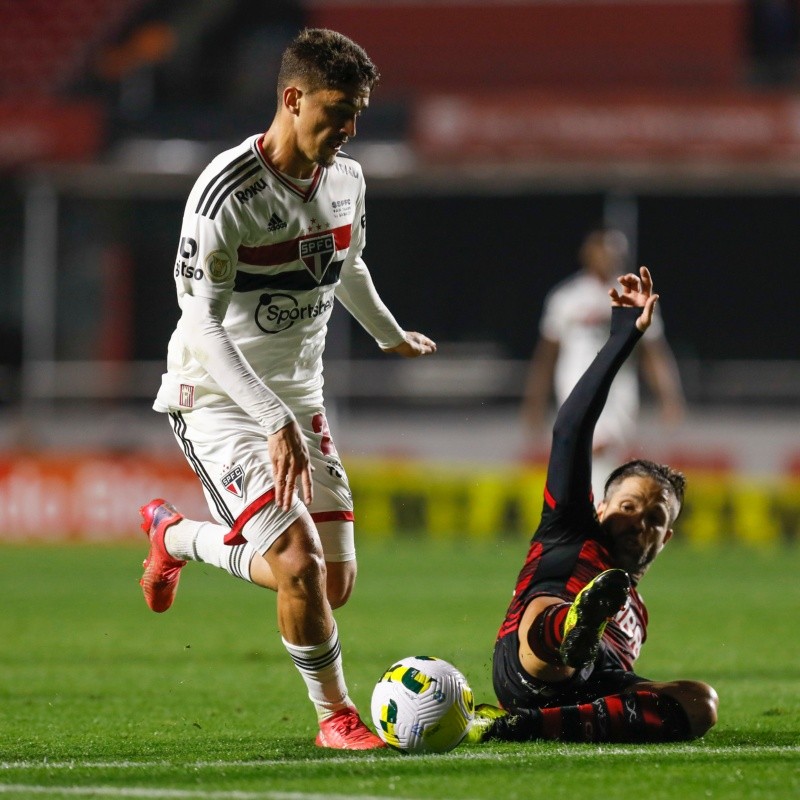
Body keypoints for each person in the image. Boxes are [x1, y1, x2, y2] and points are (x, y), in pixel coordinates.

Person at [138, 28, 436, 750]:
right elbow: (201, 323)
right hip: (219, 400)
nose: (349, 129)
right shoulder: (224, 193)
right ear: (293, 98)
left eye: (359, 112)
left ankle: (174, 536)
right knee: (297, 561)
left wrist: (388, 333)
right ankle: (335, 718)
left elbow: (349, 264)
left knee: (329, 587)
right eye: (338, 110)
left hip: (300, 401)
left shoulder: (347, 180)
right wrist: (271, 419)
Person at [467, 266, 718, 745]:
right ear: (602, 506)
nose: (636, 522)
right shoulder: (569, 525)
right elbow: (570, 431)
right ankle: (570, 626)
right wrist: (624, 334)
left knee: (700, 704)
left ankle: (519, 727)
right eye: (627, 506)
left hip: (587, 692)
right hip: (529, 665)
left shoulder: (637, 614)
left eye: (653, 519)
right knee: (550, 616)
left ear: (665, 539)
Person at [522, 227, 684, 500]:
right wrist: (534, 399)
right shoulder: (566, 298)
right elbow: (546, 355)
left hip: (618, 389)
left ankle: (595, 516)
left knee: (599, 451)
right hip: (576, 385)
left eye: (614, 250)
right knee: (590, 451)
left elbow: (653, 351)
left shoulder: (634, 297)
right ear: (587, 253)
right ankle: (598, 516)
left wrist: (669, 395)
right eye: (602, 249)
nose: (608, 256)